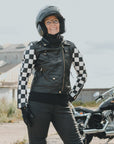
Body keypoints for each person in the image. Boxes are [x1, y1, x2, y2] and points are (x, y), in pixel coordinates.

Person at [17, 6, 87, 144]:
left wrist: (72, 95)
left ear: (61, 23)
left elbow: (82, 74)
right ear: (42, 26)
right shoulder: (34, 48)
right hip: (38, 104)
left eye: (55, 21)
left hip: (62, 105)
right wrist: (23, 106)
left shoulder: (70, 48)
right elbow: (23, 77)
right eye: (48, 22)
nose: (53, 24)